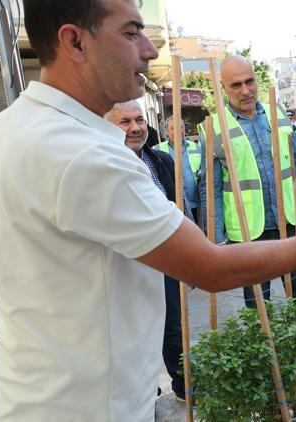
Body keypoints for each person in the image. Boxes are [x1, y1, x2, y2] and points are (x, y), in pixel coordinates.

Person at [0, 2, 296, 419]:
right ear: (75, 41)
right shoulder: (86, 155)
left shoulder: (5, 129)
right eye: (132, 32)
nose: (150, 50)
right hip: (93, 406)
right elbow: (211, 269)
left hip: (36, 395)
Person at [199, 56, 296, 310]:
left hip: (288, 221)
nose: (246, 90)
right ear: (224, 88)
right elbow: (212, 189)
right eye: (236, 85)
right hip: (248, 231)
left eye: (250, 81)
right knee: (257, 305)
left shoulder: (278, 114)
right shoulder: (214, 127)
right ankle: (265, 347)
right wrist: (217, 237)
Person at [106, 100, 192, 403]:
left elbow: (180, 211)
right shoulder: (105, 166)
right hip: (127, 264)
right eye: (125, 122)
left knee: (173, 326)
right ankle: (143, 391)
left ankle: (184, 384)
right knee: (133, 331)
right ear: (109, 127)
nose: (135, 128)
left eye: (139, 120)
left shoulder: (162, 161)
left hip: (166, 259)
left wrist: (190, 257)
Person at [155, 115, 202, 222]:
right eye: (173, 128)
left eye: (181, 127)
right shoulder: (157, 150)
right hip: (170, 206)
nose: (178, 131)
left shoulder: (197, 147)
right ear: (166, 131)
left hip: (195, 204)